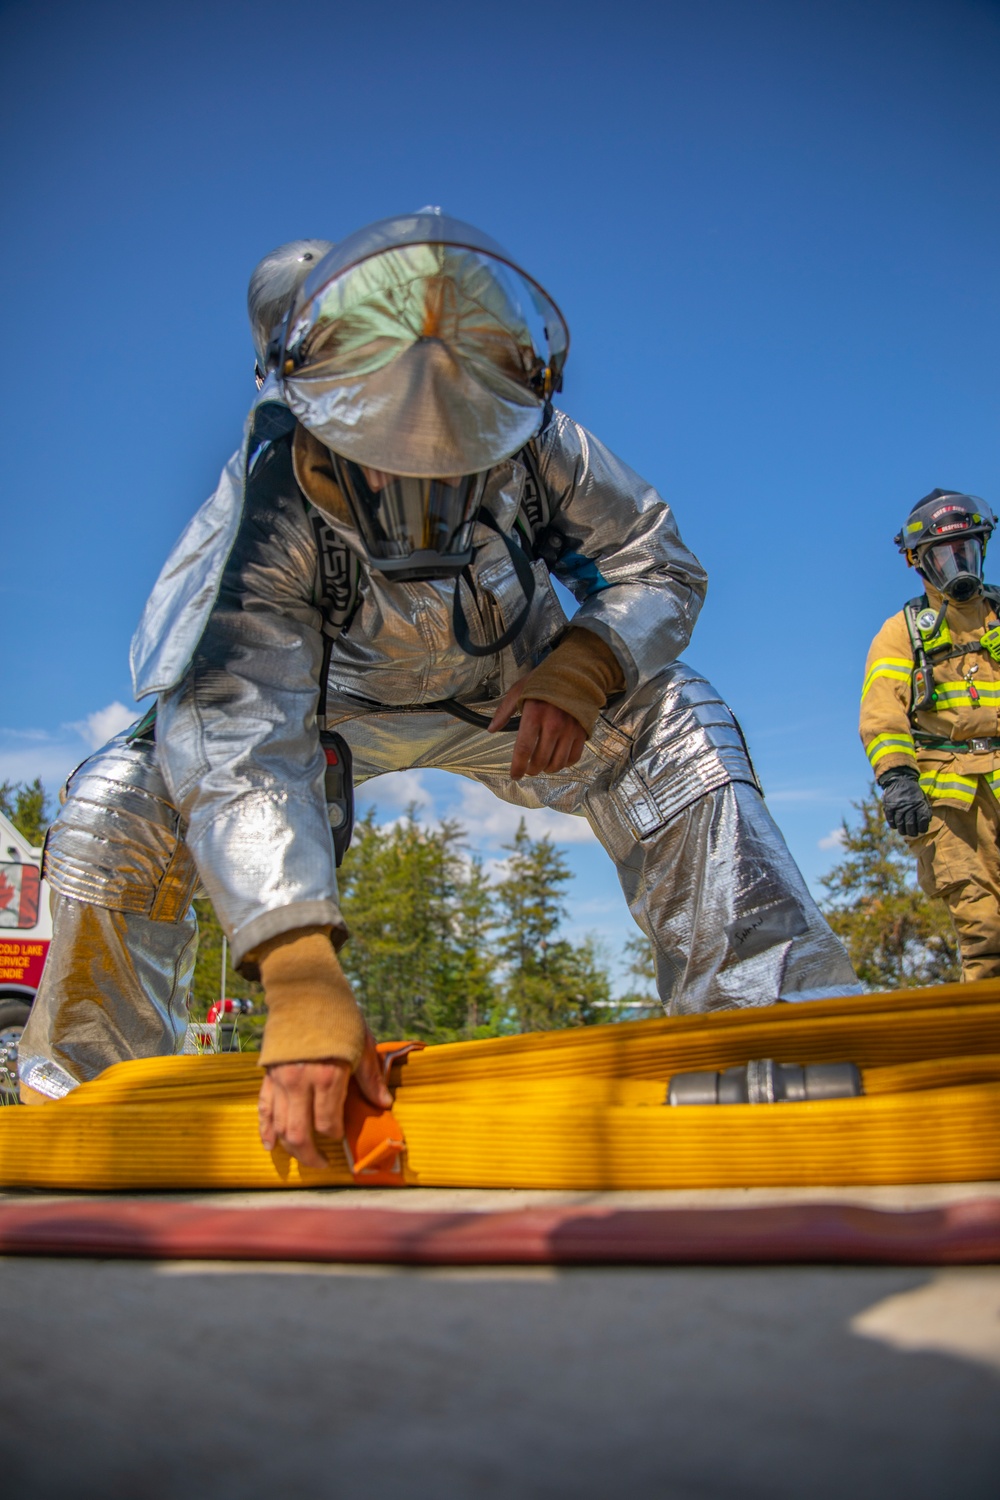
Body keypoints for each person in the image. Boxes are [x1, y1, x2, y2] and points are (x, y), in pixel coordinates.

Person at [19, 212, 857, 1161]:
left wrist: (584, 668)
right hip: (326, 722)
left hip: (520, 699)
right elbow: (236, 730)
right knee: (120, 801)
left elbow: (652, 562)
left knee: (678, 727)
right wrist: (299, 976)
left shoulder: (542, 444)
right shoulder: (270, 504)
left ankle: (768, 1034)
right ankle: (93, 1104)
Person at [861, 488, 1000, 980]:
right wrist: (897, 779)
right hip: (951, 800)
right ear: (918, 562)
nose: (958, 561)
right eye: (945, 553)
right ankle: (987, 1047)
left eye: (966, 548)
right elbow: (882, 715)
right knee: (984, 929)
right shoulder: (902, 633)